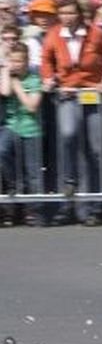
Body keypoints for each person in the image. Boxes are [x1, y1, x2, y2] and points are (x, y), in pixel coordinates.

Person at [40, 0, 102, 226]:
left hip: (91, 94)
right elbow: (46, 61)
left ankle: (95, 206)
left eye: (71, 12)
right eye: (63, 13)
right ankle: (70, 179)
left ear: (79, 14)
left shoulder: (96, 34)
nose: (67, 17)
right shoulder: (54, 35)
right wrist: (49, 78)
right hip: (69, 94)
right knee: (68, 134)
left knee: (95, 150)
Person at [0, 42, 43, 226]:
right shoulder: (9, 75)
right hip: (11, 127)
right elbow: (4, 91)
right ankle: (12, 192)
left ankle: (32, 210)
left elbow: (31, 106)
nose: (17, 64)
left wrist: (18, 86)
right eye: (14, 61)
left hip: (31, 129)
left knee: (32, 172)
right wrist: (6, 70)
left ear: (27, 61)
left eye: (20, 61)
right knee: (2, 151)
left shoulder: (34, 79)